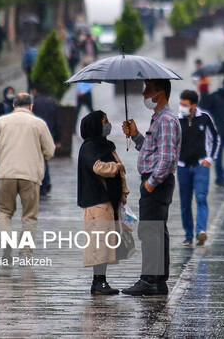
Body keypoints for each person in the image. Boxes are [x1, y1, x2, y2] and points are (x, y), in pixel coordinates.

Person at [121, 79, 181, 296]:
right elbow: (152, 150)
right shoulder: (159, 119)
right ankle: (158, 281)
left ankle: (149, 280)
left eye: (149, 90)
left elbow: (166, 157)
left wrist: (151, 183)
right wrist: (136, 135)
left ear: (160, 93)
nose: (145, 94)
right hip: (157, 182)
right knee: (157, 230)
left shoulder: (165, 120)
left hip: (157, 183)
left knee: (150, 230)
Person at [0, 93, 55, 261]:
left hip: (6, 174)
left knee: (4, 213)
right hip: (30, 175)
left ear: (14, 106)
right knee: (29, 216)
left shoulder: (2, 122)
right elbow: (50, 151)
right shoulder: (39, 123)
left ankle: (6, 245)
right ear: (31, 106)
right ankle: (25, 252)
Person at [77, 111, 129, 294]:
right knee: (98, 242)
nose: (108, 125)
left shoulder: (106, 145)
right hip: (96, 201)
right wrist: (116, 168)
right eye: (104, 122)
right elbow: (98, 168)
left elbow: (119, 168)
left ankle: (102, 281)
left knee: (106, 242)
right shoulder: (90, 147)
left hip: (109, 201)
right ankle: (98, 282)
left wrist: (124, 191)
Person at [177, 90, 220, 247]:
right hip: (182, 167)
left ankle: (200, 231)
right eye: (181, 104)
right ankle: (188, 235)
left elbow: (216, 138)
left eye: (185, 105)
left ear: (193, 105)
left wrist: (210, 159)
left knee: (201, 197)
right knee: (185, 202)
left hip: (201, 166)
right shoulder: (177, 120)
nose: (182, 107)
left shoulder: (204, 118)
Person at [31, 84, 61, 197]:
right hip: (49, 134)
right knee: (44, 158)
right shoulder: (51, 102)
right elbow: (57, 120)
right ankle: (46, 182)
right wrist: (57, 138)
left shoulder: (33, 104)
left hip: (35, 135)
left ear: (34, 90)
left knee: (37, 159)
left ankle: (40, 183)